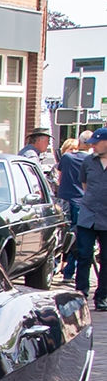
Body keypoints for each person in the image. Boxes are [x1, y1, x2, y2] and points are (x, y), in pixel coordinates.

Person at [73, 127, 107, 309]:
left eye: (96, 143)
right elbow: (85, 185)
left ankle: (102, 297)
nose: (92, 146)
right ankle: (81, 294)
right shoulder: (88, 162)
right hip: (88, 217)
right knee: (84, 255)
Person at [58, 136, 89, 280]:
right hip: (81, 201)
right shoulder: (90, 160)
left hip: (64, 200)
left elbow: (60, 176)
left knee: (60, 233)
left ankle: (55, 266)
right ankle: (69, 270)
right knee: (77, 237)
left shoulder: (66, 158)